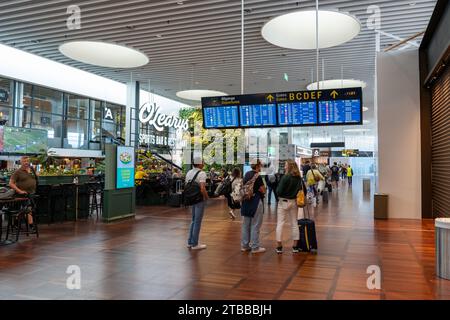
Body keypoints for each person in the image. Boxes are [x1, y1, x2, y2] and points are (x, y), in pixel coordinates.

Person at [275, 160, 304, 254]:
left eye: (286, 165)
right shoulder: (299, 178)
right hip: (294, 202)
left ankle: (279, 247)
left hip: (283, 202)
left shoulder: (285, 177)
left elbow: (278, 191)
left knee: (280, 223)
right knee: (294, 224)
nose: (284, 167)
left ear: (290, 167)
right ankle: (295, 246)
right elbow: (302, 190)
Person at [241, 159, 266, 254]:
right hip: (255, 202)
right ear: (258, 166)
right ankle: (255, 247)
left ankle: (244, 245)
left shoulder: (246, 174)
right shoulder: (258, 176)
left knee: (245, 225)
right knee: (255, 224)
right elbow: (263, 190)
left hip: (246, 201)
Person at [185, 158, 209, 250]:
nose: (204, 163)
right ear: (199, 164)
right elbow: (202, 188)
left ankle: (190, 242)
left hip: (191, 198)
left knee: (193, 220)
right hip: (199, 199)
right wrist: (207, 197)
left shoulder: (189, 172)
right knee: (197, 221)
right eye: (203, 162)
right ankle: (195, 244)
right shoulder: (202, 173)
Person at [9, 156, 37, 230]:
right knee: (28, 209)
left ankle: (15, 223)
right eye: (24, 161)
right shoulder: (17, 172)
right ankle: (31, 226)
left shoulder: (32, 170)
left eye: (27, 161)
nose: (26, 162)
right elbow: (11, 183)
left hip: (31, 193)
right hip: (21, 194)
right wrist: (20, 191)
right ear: (21, 162)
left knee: (25, 210)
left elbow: (35, 179)